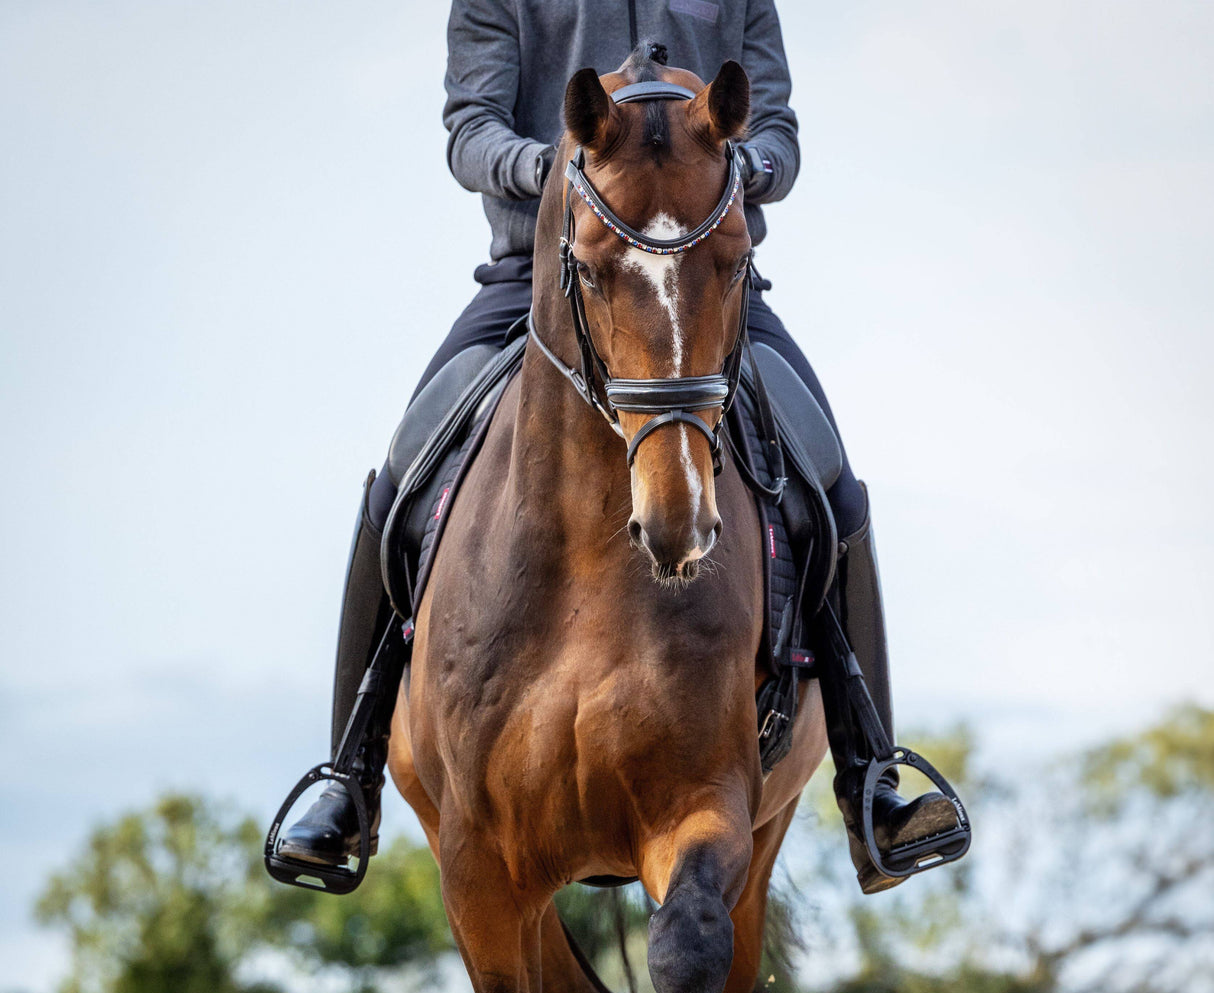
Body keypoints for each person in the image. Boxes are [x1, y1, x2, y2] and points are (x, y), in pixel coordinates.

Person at [276, 0, 961, 894]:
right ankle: (350, 779)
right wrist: (561, 167)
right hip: (545, 273)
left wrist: (738, 164)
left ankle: (872, 779)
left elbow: (778, 135)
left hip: (701, 276)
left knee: (832, 479)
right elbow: (471, 131)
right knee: (400, 478)